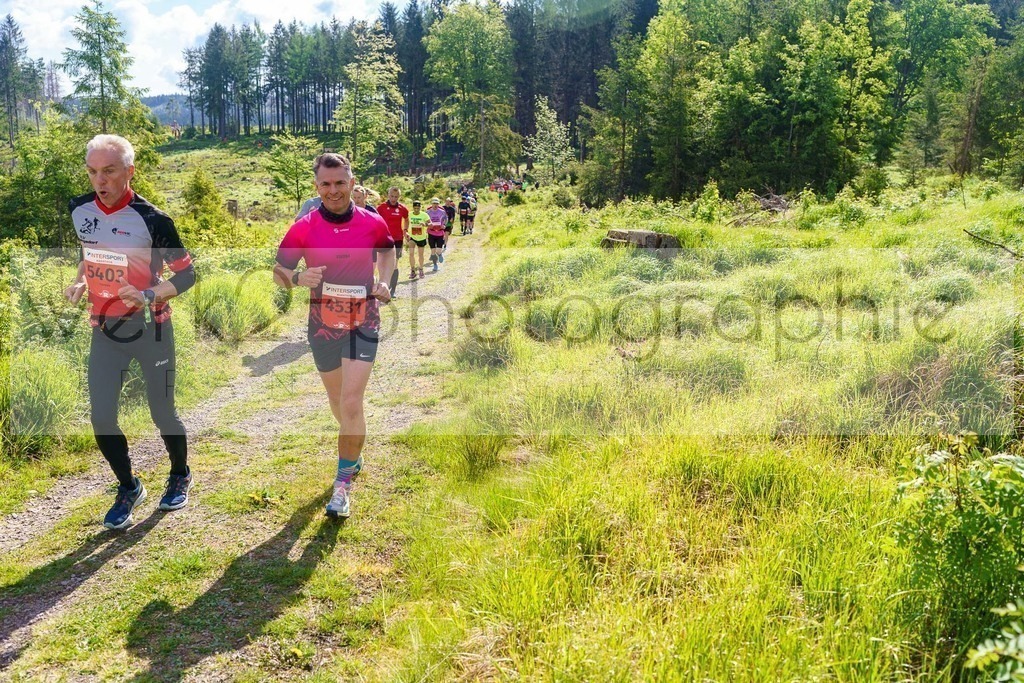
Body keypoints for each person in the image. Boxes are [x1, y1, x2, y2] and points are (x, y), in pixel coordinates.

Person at [64, 134, 197, 530]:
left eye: (109, 171)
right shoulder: (79, 208)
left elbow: (187, 275)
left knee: (162, 412)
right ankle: (128, 486)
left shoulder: (154, 220)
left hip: (151, 329)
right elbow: (89, 251)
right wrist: (81, 281)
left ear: (129, 171)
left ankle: (180, 474)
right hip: (105, 329)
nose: (99, 180)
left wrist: (148, 294)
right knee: (102, 418)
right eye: (92, 172)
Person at [273, 153, 395, 520]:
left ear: (352, 183)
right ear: (317, 187)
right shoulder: (304, 227)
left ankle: (342, 485)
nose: (333, 190)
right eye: (325, 184)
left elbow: (387, 252)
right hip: (322, 326)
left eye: (340, 182)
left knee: (352, 401)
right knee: (338, 400)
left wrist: (384, 282)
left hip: (363, 322)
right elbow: (279, 271)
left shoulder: (372, 222)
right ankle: (353, 452)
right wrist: (298, 278)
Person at [376, 186, 408, 296]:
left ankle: (392, 290)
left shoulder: (402, 208)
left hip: (398, 239)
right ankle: (383, 286)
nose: (393, 199)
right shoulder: (381, 208)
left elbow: (406, 219)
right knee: (382, 264)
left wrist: (405, 231)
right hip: (384, 239)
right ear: (388, 195)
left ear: (399, 197)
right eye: (392, 196)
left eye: (396, 197)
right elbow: (376, 221)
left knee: (394, 264)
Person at [406, 200, 429, 279]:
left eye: (418, 208)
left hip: (421, 237)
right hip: (412, 237)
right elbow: (405, 223)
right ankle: (413, 271)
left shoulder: (424, 215)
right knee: (411, 253)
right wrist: (406, 232)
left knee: (420, 255)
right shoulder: (409, 214)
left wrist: (425, 224)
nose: (416, 210)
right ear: (413, 207)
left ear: (420, 207)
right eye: (415, 208)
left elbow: (430, 224)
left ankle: (421, 269)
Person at [426, 197, 447, 271]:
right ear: (431, 204)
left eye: (437, 203)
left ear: (438, 204)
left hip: (440, 233)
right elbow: (425, 221)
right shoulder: (428, 212)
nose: (435, 205)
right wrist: (427, 225)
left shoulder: (442, 212)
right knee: (433, 251)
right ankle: (435, 265)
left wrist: (444, 225)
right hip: (431, 233)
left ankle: (440, 254)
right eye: (434, 203)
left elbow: (446, 219)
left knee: (438, 250)